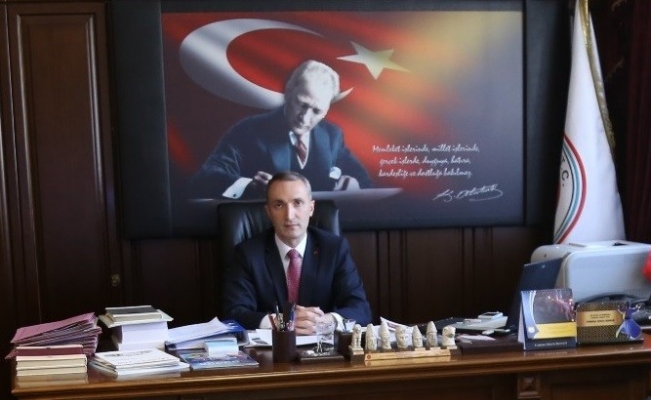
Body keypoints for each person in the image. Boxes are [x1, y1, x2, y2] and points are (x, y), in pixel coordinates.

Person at [188, 59, 372, 199]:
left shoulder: (332, 136)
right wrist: (250, 186)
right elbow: (205, 179)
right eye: (301, 104)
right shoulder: (249, 131)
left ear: (327, 110)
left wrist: (355, 184)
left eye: (317, 111)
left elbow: (364, 180)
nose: (305, 117)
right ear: (288, 92)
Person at [221, 171, 372, 335]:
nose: (289, 215)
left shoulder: (334, 249)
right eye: (279, 205)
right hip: (272, 348)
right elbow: (234, 313)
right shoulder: (247, 254)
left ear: (311, 208)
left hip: (323, 346)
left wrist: (324, 321)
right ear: (268, 212)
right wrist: (284, 322)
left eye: (297, 203)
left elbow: (361, 309)